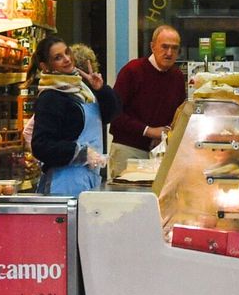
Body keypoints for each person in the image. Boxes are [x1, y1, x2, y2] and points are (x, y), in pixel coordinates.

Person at [29, 36, 120, 197]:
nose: (66, 59)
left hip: (89, 177)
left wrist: (101, 89)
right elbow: (41, 145)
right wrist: (80, 153)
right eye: (58, 57)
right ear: (46, 66)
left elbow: (109, 116)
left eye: (67, 53)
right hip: (64, 182)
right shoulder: (50, 97)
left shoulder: (83, 90)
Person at [107, 25, 186, 175]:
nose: (169, 53)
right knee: (127, 197)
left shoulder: (177, 77)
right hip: (128, 150)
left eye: (174, 48)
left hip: (160, 152)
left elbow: (178, 114)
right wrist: (149, 131)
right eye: (164, 47)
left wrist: (165, 134)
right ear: (152, 46)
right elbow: (115, 114)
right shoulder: (132, 70)